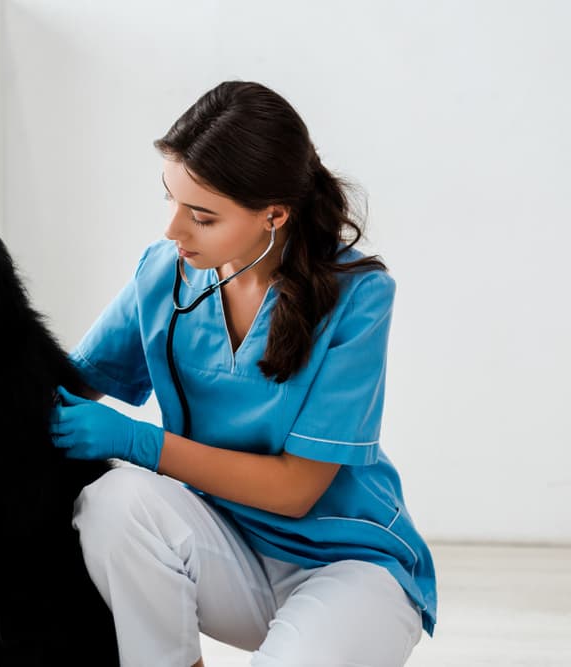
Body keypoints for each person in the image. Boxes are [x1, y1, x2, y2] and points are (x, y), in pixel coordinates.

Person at [49, 81, 437, 667]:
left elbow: (295, 488)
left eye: (201, 216)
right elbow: (68, 383)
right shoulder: (164, 274)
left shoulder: (359, 295)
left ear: (273, 215)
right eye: (171, 201)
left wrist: (138, 440)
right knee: (112, 504)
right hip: (225, 550)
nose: (172, 231)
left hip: (348, 565)